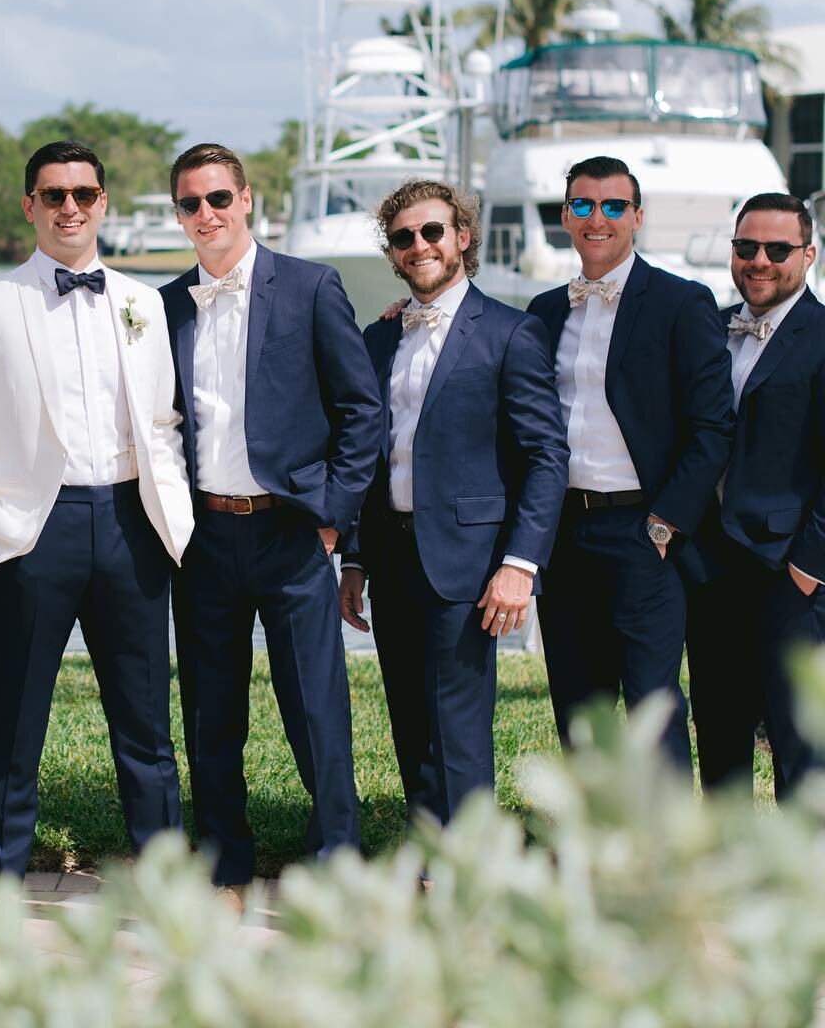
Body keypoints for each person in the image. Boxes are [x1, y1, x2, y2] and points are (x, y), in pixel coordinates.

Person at [0, 140, 192, 957]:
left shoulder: (144, 302)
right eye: (53, 194)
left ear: (103, 202)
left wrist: (170, 512)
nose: (69, 206)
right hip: (36, 531)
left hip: (133, 525)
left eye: (83, 192)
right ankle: (0, 899)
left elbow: (166, 423)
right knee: (16, 722)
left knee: (145, 727)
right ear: (29, 205)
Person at [159, 143, 381, 903]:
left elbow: (362, 412)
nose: (207, 215)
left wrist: (332, 519)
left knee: (315, 710)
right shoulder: (162, 306)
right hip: (204, 539)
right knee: (210, 714)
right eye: (191, 204)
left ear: (247, 199)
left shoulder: (311, 288)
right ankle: (224, 863)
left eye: (219, 198)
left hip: (291, 533)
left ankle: (336, 866)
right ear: (178, 214)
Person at [357, 180, 567, 825]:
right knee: (409, 718)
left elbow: (545, 455)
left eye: (432, 232)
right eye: (403, 237)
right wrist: (355, 562)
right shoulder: (380, 336)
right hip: (391, 556)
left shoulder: (511, 333)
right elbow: (370, 456)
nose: (419, 246)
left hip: (471, 561)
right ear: (391, 253)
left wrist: (520, 564)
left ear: (462, 238)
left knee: (459, 720)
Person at [526, 155, 733, 769]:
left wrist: (666, 523)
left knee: (654, 706)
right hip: (563, 533)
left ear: (636, 217)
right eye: (584, 205)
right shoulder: (542, 311)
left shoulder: (681, 302)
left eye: (614, 205)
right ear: (566, 216)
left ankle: (667, 856)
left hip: (646, 533)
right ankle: (593, 847)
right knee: (578, 705)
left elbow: (712, 426)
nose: (598, 218)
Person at [687, 192, 825, 797]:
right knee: (718, 739)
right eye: (747, 247)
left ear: (810, 254)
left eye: (777, 249)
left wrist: (807, 568)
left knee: (803, 750)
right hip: (710, 570)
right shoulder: (710, 327)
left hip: (788, 576)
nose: (760, 260)